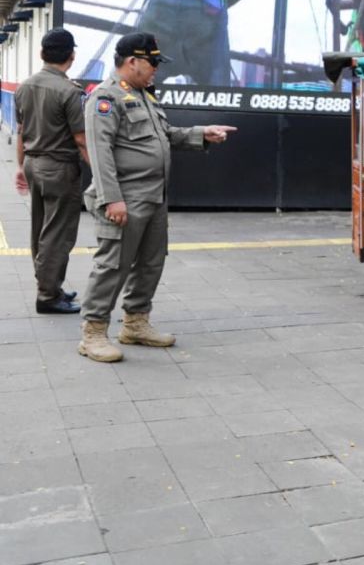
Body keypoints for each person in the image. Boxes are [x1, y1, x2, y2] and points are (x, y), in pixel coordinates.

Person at [78, 33, 236, 363]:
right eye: (152, 63)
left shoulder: (144, 96)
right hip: (125, 198)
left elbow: (164, 136)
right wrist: (112, 199)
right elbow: (100, 152)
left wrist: (200, 134)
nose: (156, 71)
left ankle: (135, 323)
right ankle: (92, 333)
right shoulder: (105, 98)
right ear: (132, 61)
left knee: (151, 262)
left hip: (153, 196)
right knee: (113, 265)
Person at [14, 28, 90, 314]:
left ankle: (51, 286)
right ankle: (47, 296)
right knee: (57, 234)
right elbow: (81, 139)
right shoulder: (69, 92)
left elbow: (22, 131)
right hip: (59, 169)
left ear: (41, 54)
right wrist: (105, 178)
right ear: (71, 56)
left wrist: (20, 167)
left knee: (40, 228)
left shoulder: (24, 87)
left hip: (34, 164)